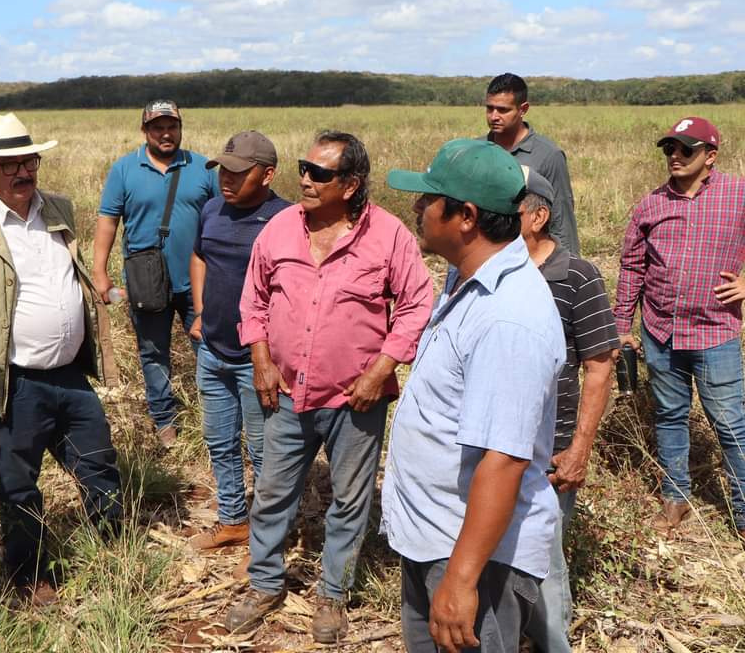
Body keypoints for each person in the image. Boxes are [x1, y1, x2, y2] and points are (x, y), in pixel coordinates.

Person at [225, 131, 434, 644]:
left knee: (349, 500)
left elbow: (415, 306)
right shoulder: (279, 229)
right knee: (273, 492)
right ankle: (265, 583)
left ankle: (332, 594)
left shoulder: (387, 236)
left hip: (356, 398)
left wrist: (380, 371)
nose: (306, 179)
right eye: (304, 168)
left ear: (351, 184)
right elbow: (253, 301)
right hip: (287, 392)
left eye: (320, 173)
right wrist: (261, 357)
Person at [0, 113, 122, 605]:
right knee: (18, 487)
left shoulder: (59, 210)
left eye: (28, 160)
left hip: (71, 375)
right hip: (16, 384)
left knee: (99, 465)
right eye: (8, 164)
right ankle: (30, 576)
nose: (22, 172)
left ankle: (116, 555)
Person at [384, 139, 565, 653]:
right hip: (440, 537)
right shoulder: (468, 279)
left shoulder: (508, 317)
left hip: (472, 556)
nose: (417, 208)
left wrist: (461, 580)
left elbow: (504, 460)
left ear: (465, 216)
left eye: (428, 199)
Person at [613, 116, 745, 540]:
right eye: (670, 147)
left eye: (685, 149)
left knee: (730, 424)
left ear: (710, 156)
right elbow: (632, 266)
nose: (674, 155)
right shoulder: (652, 204)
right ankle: (676, 498)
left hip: (715, 332)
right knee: (670, 416)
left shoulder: (738, 194)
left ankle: (742, 511)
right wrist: (622, 326)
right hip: (660, 332)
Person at [518, 172, 619, 653]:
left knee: (546, 563)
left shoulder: (576, 275)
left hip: (553, 450)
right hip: (497, 447)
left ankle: (551, 643)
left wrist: (579, 449)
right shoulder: (492, 270)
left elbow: (599, 368)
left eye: (510, 210)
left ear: (538, 217)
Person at [92, 100, 219, 447]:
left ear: (180, 128)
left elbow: (221, 218)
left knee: (208, 348)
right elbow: (108, 221)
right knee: (153, 353)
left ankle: (215, 418)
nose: (166, 133)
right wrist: (99, 272)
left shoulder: (202, 167)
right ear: (145, 130)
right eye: (157, 127)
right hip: (146, 281)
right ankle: (165, 422)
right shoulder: (124, 169)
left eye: (172, 126)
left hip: (199, 280)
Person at [187, 131, 291, 553]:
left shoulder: (287, 219)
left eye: (237, 173)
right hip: (212, 350)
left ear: (267, 175)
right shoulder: (211, 209)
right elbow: (199, 256)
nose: (225, 180)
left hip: (257, 358)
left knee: (264, 451)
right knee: (220, 442)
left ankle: (270, 539)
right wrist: (199, 310)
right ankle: (232, 520)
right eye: (221, 171)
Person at [484, 72, 580, 255]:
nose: (494, 116)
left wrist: (567, 271)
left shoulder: (548, 155)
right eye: (490, 108)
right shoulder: (476, 151)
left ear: (523, 109)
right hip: (482, 258)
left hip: (528, 258)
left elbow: (561, 219)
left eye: (503, 110)